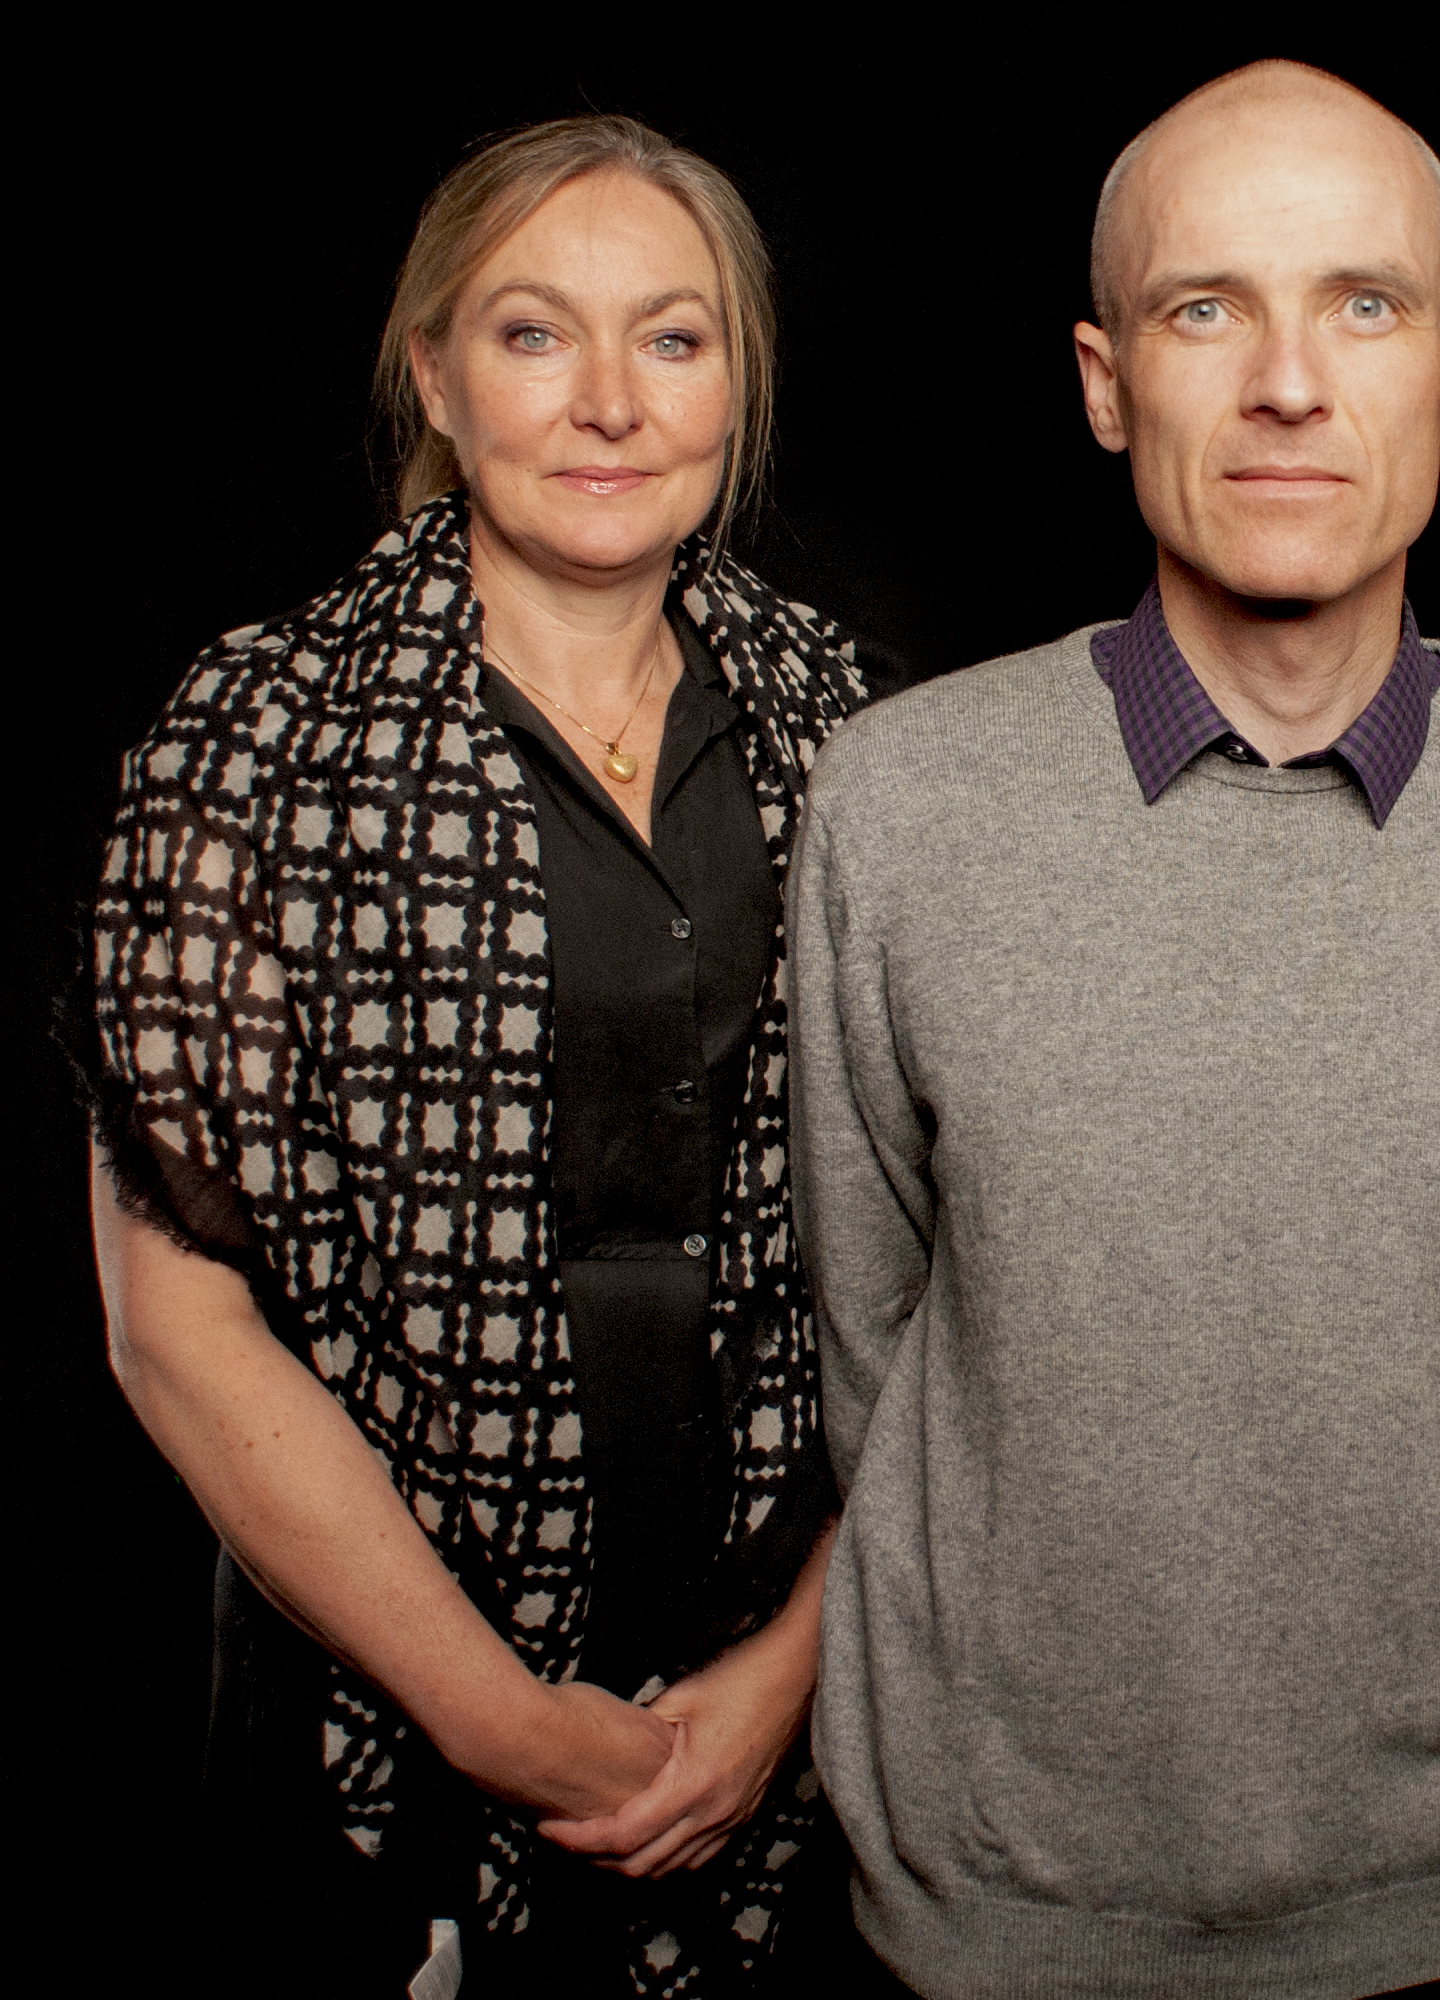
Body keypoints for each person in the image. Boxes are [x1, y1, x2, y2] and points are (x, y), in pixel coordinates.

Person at [788, 60, 1440, 2000]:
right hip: (989, 1913)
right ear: (1107, 378)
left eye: (1359, 304)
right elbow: (877, 1337)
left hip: (1438, 1909)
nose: (1288, 379)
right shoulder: (901, 801)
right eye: (1206, 307)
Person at [84, 115, 873, 1996]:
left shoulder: (850, 724)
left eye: (673, 340)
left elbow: (942, 1260)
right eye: (536, 335)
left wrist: (791, 1673)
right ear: (435, 370)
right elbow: (172, 1326)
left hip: (783, 1723)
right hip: (376, 1765)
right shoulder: (256, 728)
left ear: (736, 382)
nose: (610, 401)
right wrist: (502, 1723)